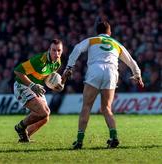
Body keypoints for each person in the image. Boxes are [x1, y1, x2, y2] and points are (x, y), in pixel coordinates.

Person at [62, 21, 144, 149]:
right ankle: (114, 137)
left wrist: (69, 66)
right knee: (106, 108)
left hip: (95, 70)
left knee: (87, 106)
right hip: (111, 72)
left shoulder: (92, 40)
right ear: (109, 32)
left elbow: (77, 48)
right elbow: (130, 60)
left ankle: (79, 141)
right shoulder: (116, 43)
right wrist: (137, 74)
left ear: (97, 32)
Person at [14, 39, 63, 142]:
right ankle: (20, 127)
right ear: (49, 50)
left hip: (35, 87)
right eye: (54, 50)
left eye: (59, 50)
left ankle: (24, 137)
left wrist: (57, 85)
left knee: (45, 117)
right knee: (43, 113)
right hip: (22, 86)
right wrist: (32, 85)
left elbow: (48, 79)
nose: (56, 53)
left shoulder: (57, 63)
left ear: (62, 51)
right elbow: (17, 71)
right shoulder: (39, 60)